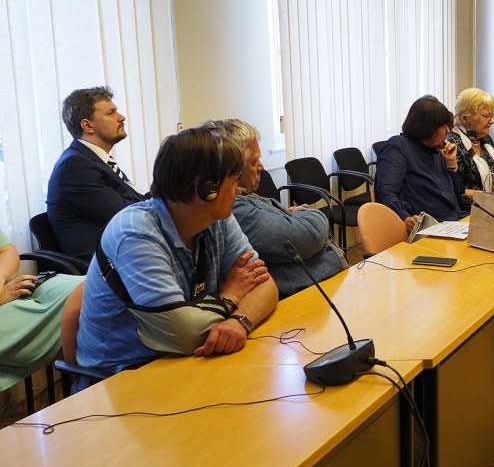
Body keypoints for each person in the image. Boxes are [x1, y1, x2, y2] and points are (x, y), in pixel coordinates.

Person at [75, 125, 279, 381]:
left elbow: (266, 285)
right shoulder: (135, 233)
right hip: (125, 377)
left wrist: (239, 321)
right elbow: (185, 335)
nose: (239, 191)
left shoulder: (217, 218)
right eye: (233, 180)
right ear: (206, 188)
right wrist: (230, 296)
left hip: (188, 362)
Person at [218, 118, 347, 299]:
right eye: (254, 162)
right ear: (233, 169)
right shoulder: (234, 209)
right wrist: (305, 213)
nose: (262, 167)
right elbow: (307, 238)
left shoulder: (248, 198)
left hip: (326, 284)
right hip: (308, 295)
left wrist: (293, 219)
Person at [47, 86, 146, 262]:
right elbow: (128, 216)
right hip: (106, 265)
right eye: (111, 113)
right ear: (87, 125)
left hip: (125, 251)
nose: (121, 117)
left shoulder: (95, 160)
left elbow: (135, 201)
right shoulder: (75, 167)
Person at [0, 230, 84, 392]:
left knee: (91, 286)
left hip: (10, 291)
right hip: (5, 301)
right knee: (86, 322)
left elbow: (7, 251)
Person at [376, 95, 468, 232]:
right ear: (428, 128)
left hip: (455, 222)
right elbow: (386, 193)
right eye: (443, 126)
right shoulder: (397, 146)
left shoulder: (435, 150)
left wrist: (451, 165)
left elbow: (458, 200)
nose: (448, 131)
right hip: (430, 227)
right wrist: (405, 217)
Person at [448, 88, 494, 195]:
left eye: (493, 115)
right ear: (466, 117)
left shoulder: (485, 139)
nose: (492, 121)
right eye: (486, 116)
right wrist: (488, 197)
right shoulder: (452, 144)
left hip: (493, 201)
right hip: (472, 205)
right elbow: (454, 190)